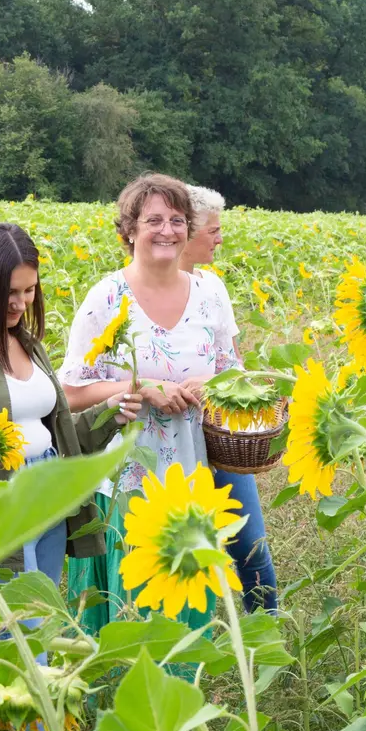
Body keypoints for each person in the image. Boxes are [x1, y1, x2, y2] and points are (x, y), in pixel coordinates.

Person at [60, 173, 240, 633]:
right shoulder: (107, 297)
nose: (167, 230)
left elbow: (234, 373)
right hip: (124, 477)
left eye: (177, 220)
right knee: (129, 613)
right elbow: (72, 390)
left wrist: (209, 385)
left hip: (190, 474)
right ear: (130, 230)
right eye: (153, 219)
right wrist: (142, 388)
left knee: (184, 598)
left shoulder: (209, 293)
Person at [0, 222, 142, 587]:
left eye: (29, 290)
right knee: (12, 619)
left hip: (49, 488)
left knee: (40, 610)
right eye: (9, 292)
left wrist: (111, 412)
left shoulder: (28, 344)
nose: (20, 303)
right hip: (0, 498)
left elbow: (55, 435)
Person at [178, 184, 278, 613]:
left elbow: (231, 361)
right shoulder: (132, 289)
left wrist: (246, 389)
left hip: (220, 438)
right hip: (165, 442)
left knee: (251, 546)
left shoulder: (213, 287)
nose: (219, 239)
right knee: (180, 554)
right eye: (213, 231)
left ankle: (264, 639)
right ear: (184, 233)